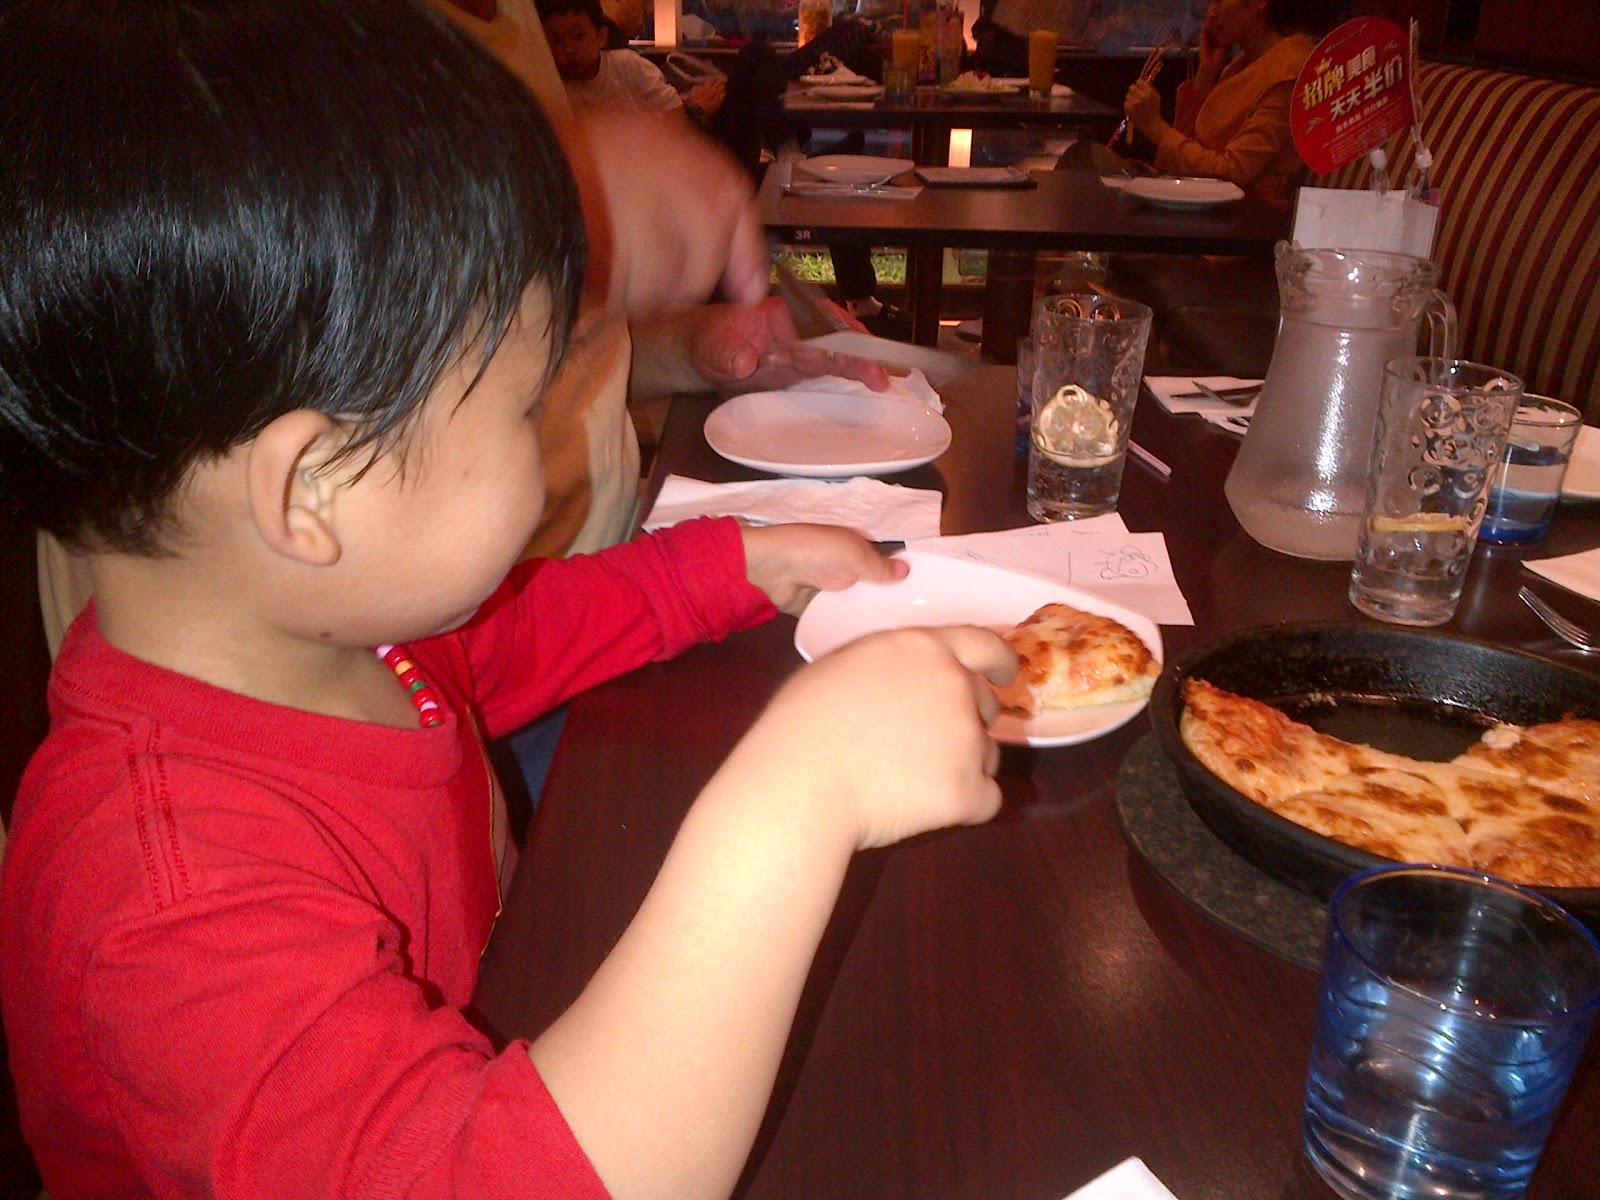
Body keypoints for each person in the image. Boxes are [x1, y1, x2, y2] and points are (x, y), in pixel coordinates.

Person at [0, 5, 1017, 1200]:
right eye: (522, 406)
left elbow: (517, 637)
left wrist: (737, 564)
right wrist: (806, 790)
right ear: (312, 487)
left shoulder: (332, 635)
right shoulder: (165, 908)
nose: (548, 442)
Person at [1122, 0, 1342, 207]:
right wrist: (1205, 77)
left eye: (1220, 1)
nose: (1211, 13)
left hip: (1251, 218)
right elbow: (1185, 157)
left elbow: (1233, 172)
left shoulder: (1289, 72)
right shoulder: (1244, 63)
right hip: (1210, 205)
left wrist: (1155, 127)